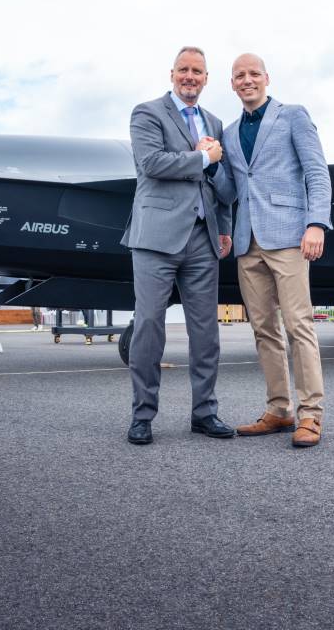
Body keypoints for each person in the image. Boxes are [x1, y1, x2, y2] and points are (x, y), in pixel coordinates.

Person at [208, 53, 332, 448]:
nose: (247, 80)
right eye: (239, 76)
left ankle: (311, 414)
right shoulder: (228, 133)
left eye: (253, 74)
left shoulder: (292, 115)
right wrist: (212, 166)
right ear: (231, 84)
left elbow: (316, 171)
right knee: (264, 331)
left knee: (299, 325)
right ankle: (280, 410)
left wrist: (316, 223)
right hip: (248, 243)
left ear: (266, 78)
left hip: (289, 236)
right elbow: (229, 192)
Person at [119, 46, 235, 445]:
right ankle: (143, 416)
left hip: (203, 238)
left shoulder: (215, 122)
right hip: (155, 237)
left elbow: (224, 184)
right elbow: (152, 163)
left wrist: (225, 226)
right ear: (172, 74)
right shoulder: (147, 113)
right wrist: (203, 158)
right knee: (149, 326)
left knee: (206, 333)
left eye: (197, 71)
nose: (190, 77)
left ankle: (205, 413)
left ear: (206, 79)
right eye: (184, 70)